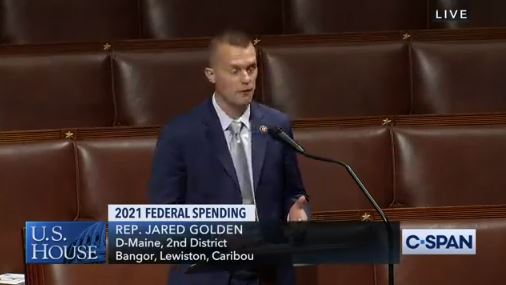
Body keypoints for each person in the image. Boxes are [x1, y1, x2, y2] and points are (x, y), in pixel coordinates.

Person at [149, 30, 309, 285]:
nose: (246, 79)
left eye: (252, 68)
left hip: (270, 274)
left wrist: (295, 214)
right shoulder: (179, 135)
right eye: (235, 71)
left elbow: (293, 192)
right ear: (211, 75)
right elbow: (164, 216)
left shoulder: (277, 125)